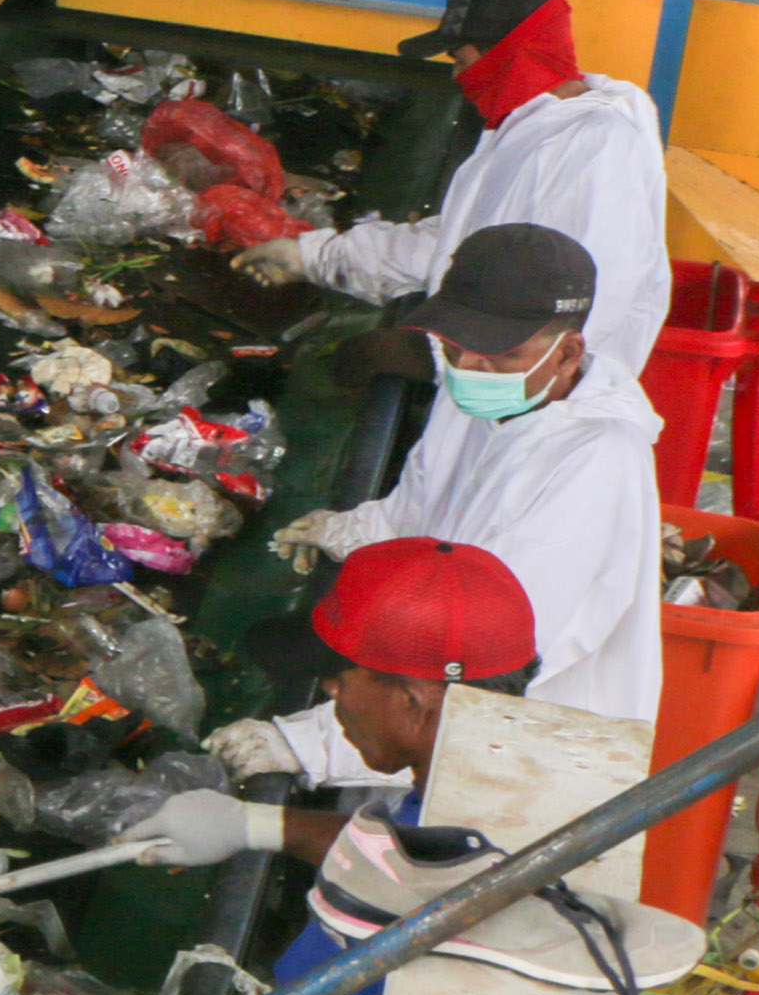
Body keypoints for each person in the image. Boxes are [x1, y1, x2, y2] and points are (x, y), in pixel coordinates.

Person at [275, 221, 662, 726]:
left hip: (522, 737)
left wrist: (311, 746)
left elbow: (486, 668)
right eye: (456, 348)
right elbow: (420, 507)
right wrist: (354, 532)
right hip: (436, 696)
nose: (470, 368)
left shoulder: (591, 469)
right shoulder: (498, 397)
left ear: (567, 353)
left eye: (500, 355)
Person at [244, 0, 666, 388]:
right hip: (492, 398)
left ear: (508, 55)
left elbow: (580, 303)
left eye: (461, 60)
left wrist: (433, 357)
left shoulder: (595, 149)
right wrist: (318, 257)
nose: (457, 76)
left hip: (545, 409)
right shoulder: (529, 133)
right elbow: (457, 248)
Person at [223, 537, 537, 995]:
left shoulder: (417, 906)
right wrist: (255, 825)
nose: (331, 690)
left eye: (343, 676)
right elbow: (407, 849)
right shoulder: (504, 781)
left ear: (415, 702)